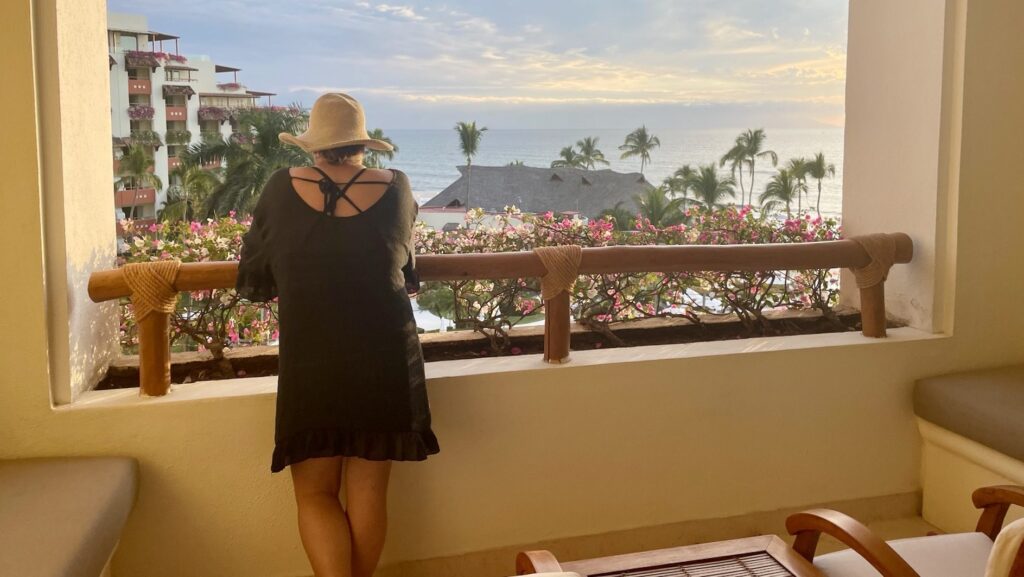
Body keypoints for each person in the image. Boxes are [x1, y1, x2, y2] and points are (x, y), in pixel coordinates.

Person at [236, 93, 439, 577]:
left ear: (313, 147)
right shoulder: (398, 187)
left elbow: (255, 276)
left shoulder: (280, 187)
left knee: (315, 494)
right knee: (369, 493)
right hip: (385, 355)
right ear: (361, 145)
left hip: (313, 358)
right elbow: (405, 266)